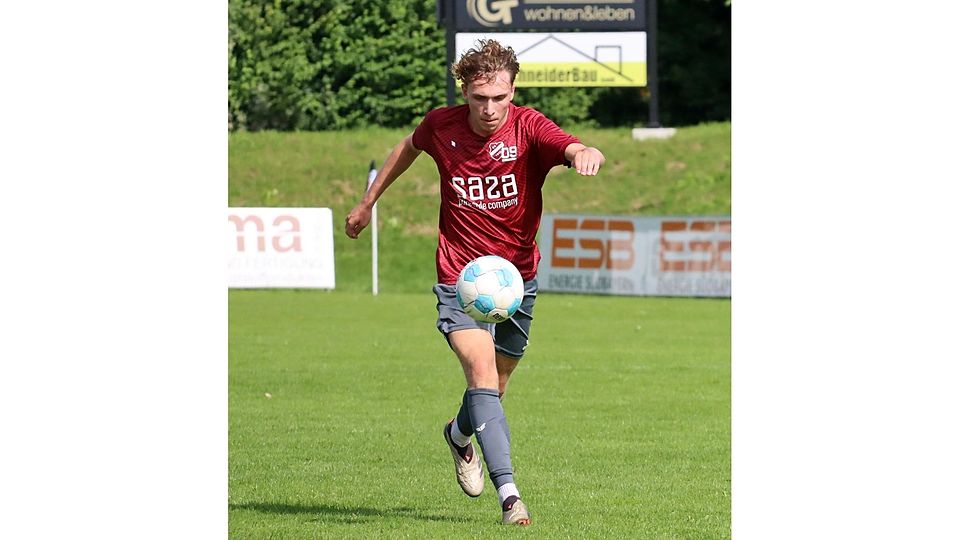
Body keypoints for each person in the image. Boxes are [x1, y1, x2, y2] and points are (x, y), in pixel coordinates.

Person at [344, 39, 605, 526]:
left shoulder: (528, 126)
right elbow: (407, 148)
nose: (489, 109)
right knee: (480, 372)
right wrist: (367, 202)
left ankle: (459, 434)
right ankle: (511, 497)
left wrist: (583, 150)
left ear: (513, 91)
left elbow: (565, 144)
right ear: (463, 90)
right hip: (460, 277)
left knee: (495, 389)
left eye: (498, 98)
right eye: (478, 97)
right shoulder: (441, 126)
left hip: (516, 280)